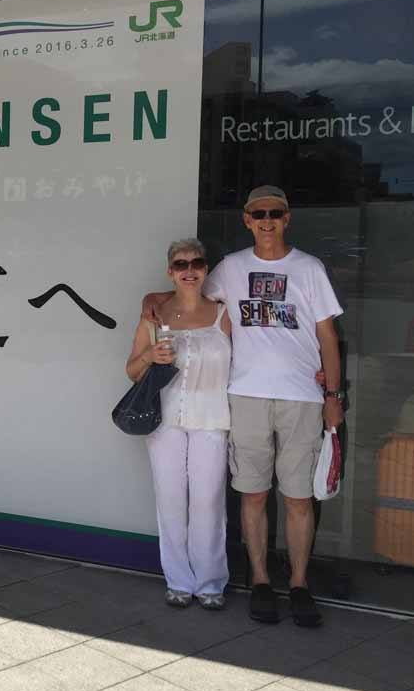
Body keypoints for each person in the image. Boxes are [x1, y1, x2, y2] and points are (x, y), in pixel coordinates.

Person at [145, 185, 343, 627]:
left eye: (275, 212)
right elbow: (187, 295)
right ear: (247, 220)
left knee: (298, 498)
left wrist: (333, 396)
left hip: (302, 397)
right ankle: (258, 581)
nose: (267, 220)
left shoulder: (309, 268)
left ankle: (298, 584)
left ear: (287, 218)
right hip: (244, 395)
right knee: (252, 495)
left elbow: (328, 336)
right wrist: (151, 301)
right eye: (259, 213)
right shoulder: (230, 269)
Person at [127, 238, 231, 609]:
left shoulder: (224, 314)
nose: (189, 269)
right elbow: (131, 370)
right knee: (170, 500)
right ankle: (178, 581)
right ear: (170, 271)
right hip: (165, 419)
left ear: (206, 269)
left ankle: (210, 583)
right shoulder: (154, 315)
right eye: (181, 264)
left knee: (208, 502)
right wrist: (151, 356)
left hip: (213, 419)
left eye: (197, 263)